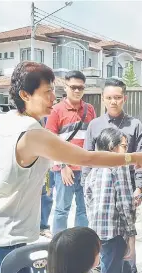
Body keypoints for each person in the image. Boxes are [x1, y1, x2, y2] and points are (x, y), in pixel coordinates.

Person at [0, 61, 142, 273]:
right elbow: (86, 158)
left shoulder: (10, 119)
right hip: (8, 231)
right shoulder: (32, 133)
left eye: (54, 90)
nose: (54, 97)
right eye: (46, 92)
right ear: (24, 95)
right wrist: (134, 158)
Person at [82, 78, 142, 273]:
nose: (113, 102)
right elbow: (87, 158)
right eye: (109, 98)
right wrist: (87, 188)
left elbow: (141, 158)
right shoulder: (94, 125)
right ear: (103, 99)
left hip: (126, 186)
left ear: (124, 98)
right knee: (103, 235)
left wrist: (139, 187)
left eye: (117, 97)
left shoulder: (134, 125)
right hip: (101, 190)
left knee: (128, 233)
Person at [85, 128, 136, 273]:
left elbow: (87, 197)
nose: (126, 151)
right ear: (111, 147)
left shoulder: (94, 168)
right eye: (123, 146)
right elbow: (125, 203)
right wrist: (131, 235)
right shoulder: (119, 166)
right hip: (116, 233)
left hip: (97, 231)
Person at [46, 70, 96, 235]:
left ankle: (79, 243)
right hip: (64, 171)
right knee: (61, 209)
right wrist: (62, 165)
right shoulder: (56, 110)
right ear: (65, 87)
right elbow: (51, 143)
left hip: (86, 169)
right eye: (73, 87)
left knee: (84, 209)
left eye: (80, 88)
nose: (77, 91)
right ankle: (58, 247)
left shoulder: (89, 110)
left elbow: (93, 139)